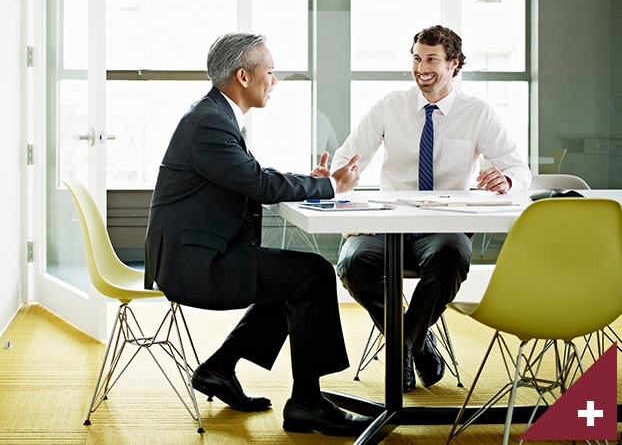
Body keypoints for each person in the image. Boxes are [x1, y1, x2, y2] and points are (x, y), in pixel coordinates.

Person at [144, 32, 372, 436]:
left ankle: (219, 369)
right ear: (244, 77)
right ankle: (307, 403)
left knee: (292, 280)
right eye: (270, 71)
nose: (275, 80)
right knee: (313, 275)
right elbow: (260, 185)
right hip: (195, 266)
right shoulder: (209, 124)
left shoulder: (214, 115)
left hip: (201, 255)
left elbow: (254, 178)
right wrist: (331, 187)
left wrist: (311, 182)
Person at [330, 24, 531, 393]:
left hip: (443, 227)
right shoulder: (390, 106)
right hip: (388, 224)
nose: (422, 67)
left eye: (432, 59)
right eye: (417, 58)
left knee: (452, 255)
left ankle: (402, 347)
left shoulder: (478, 113)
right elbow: (346, 164)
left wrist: (507, 181)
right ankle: (418, 343)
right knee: (352, 262)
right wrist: (346, 205)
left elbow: (519, 169)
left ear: (454, 64)